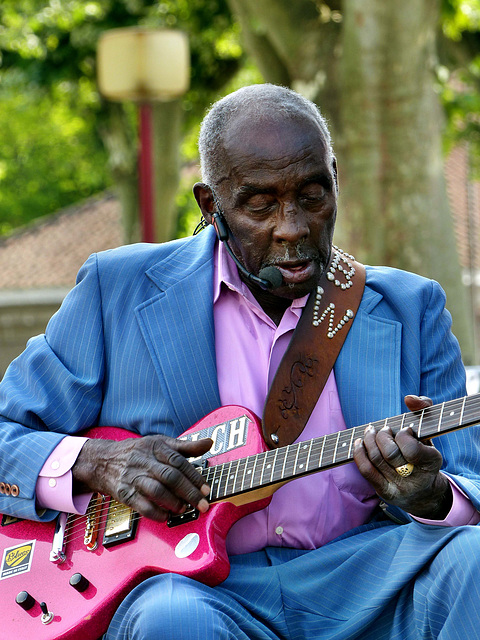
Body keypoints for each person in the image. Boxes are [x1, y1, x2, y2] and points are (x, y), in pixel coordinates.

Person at [1, 83, 480, 640]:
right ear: (212, 206)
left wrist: (433, 495)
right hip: (198, 588)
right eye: (260, 204)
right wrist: (99, 462)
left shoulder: (413, 307)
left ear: (335, 183)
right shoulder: (118, 290)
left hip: (371, 574)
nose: (293, 227)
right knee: (170, 619)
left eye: (312, 195)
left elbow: (469, 475)